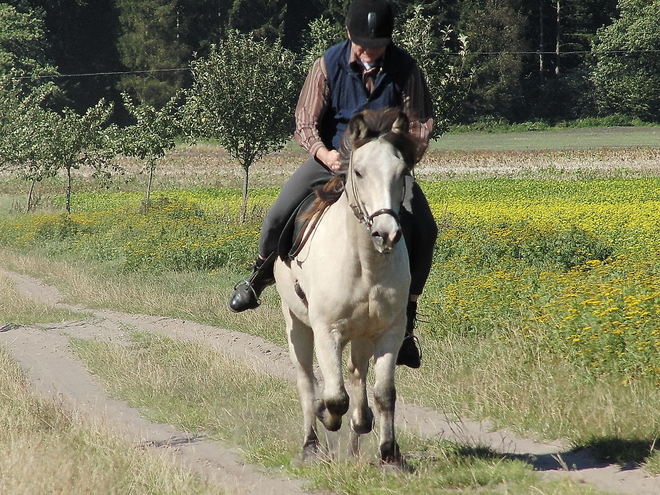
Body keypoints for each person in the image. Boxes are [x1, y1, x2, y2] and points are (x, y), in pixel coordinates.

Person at [229, 0, 438, 368]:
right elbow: (305, 120)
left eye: (377, 45)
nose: (370, 51)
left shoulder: (406, 68)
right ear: (348, 34)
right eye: (363, 43)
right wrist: (323, 154)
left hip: (384, 168)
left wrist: (401, 159)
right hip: (333, 162)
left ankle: (407, 316)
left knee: (425, 227)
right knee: (279, 212)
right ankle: (258, 276)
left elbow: (420, 123)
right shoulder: (327, 64)